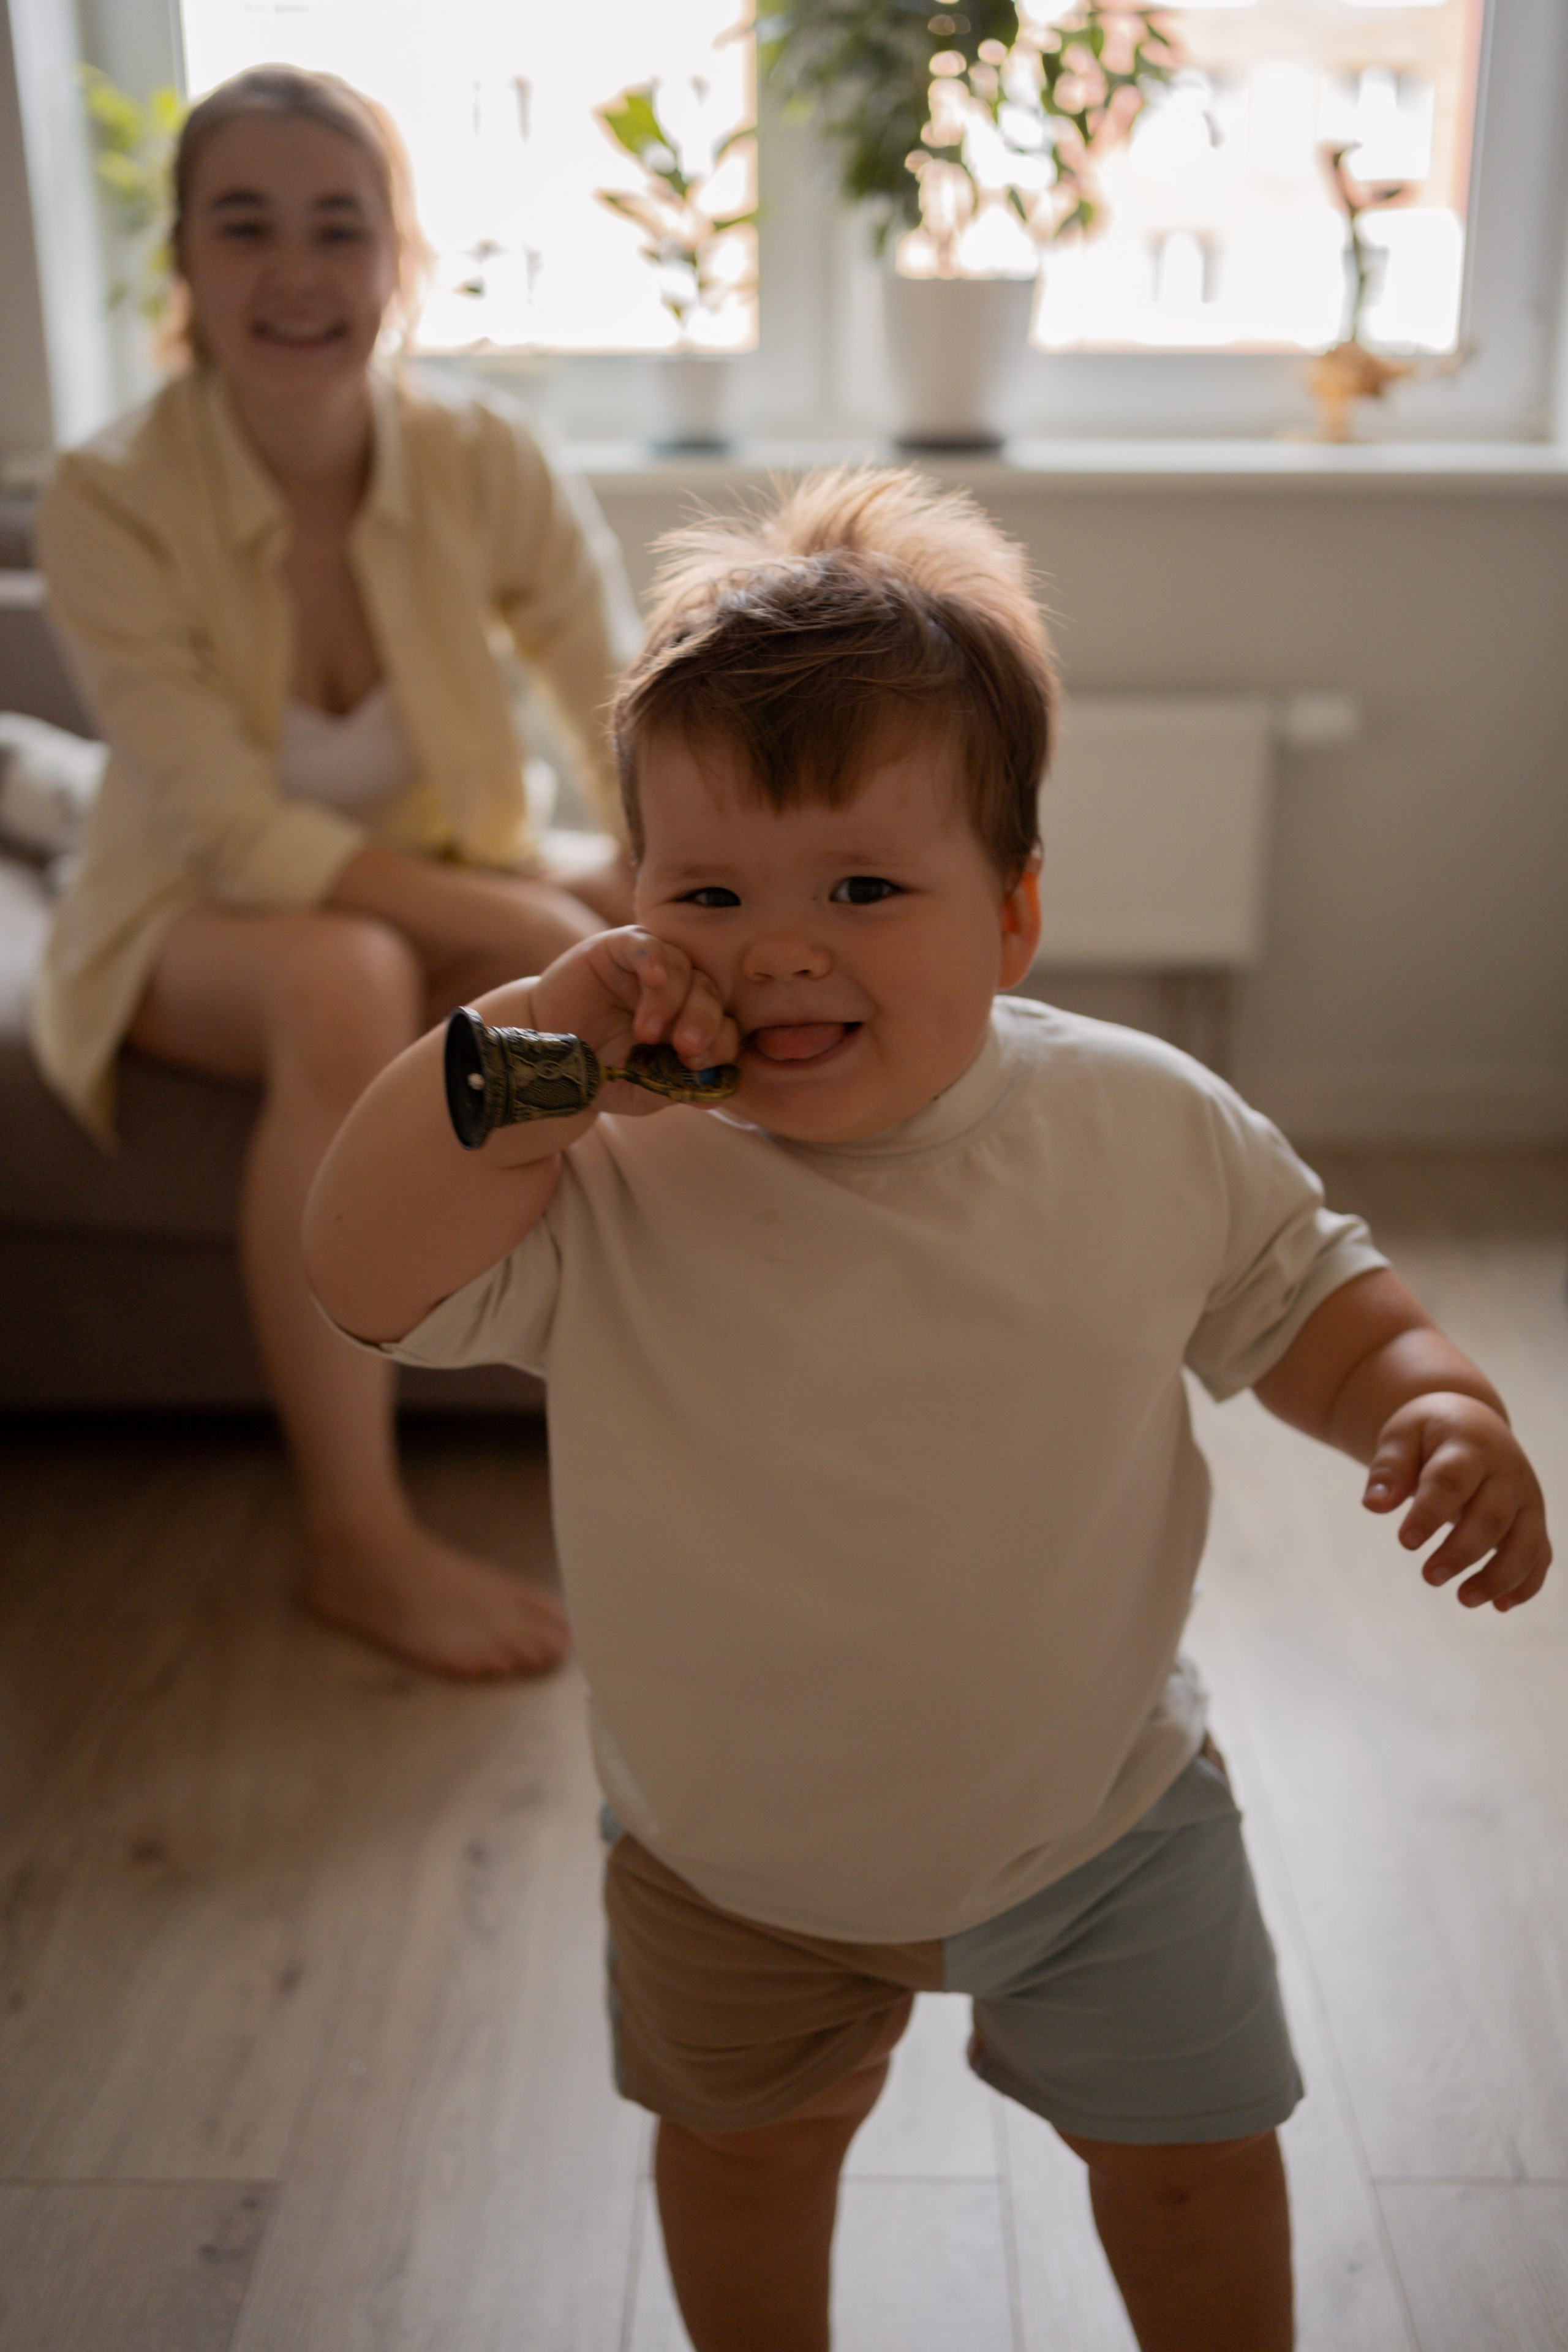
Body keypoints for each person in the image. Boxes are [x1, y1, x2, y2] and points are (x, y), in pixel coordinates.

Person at [304, 469, 1551, 2352]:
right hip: (731, 1862)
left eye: (866, 889)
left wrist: (1433, 1405)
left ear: (1014, 915)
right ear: (630, 905)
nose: (781, 944)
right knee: (748, 2163)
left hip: (1098, 1825)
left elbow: (1324, 1309)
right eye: (707, 892)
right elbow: (363, 1270)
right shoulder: (611, 1176)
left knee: (1202, 2163)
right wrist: (530, 1046)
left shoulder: (1141, 1124)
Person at [34, 66, 639, 1678]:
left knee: (650, 931)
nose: (296, 274)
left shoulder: (487, 460)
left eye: (338, 228)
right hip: (192, 918)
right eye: (246, 227)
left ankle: (762, 1404)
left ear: (398, 262)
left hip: (440, 859)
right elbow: (236, 838)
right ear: (184, 262)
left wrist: (677, 889)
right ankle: (356, 1541)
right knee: (348, 970)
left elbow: (622, 720)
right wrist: (516, 913)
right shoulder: (104, 500)